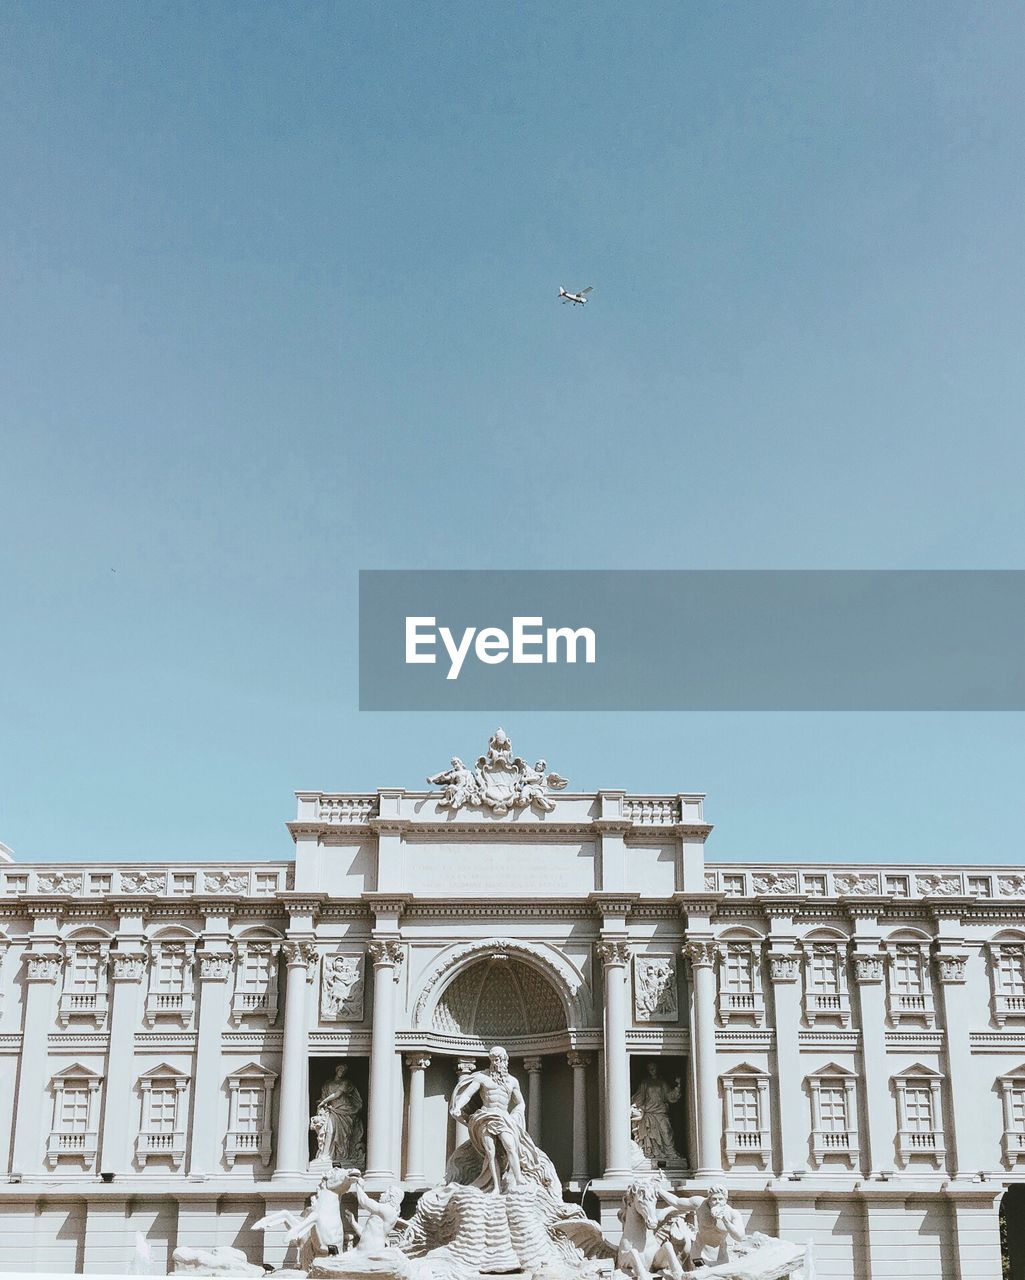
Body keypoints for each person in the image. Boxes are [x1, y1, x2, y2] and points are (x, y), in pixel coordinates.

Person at [449, 1045, 559, 1196]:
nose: (496, 1063)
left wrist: (516, 1115)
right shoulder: (482, 1078)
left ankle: (519, 1179)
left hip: (504, 1118)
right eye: (493, 1060)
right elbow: (467, 1094)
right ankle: (495, 1187)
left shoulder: (512, 1081)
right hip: (486, 1117)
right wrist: (458, 1106)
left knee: (510, 1147)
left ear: (505, 1060)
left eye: (499, 1060)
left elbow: (520, 1102)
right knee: (490, 1152)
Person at [315, 1062, 366, 1167]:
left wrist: (323, 1102)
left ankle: (343, 1156)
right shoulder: (328, 1083)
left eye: (343, 1071)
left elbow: (337, 1094)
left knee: (344, 1136)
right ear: (336, 1070)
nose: (341, 1073)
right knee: (329, 1131)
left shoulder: (345, 1082)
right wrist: (322, 1104)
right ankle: (325, 1155)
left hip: (345, 1110)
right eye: (340, 1070)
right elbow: (324, 1095)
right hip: (332, 1110)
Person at [630, 1062, 681, 1162]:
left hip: (661, 1112)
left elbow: (670, 1096)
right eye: (650, 1068)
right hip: (649, 1112)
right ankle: (651, 1155)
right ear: (648, 1070)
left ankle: (670, 1153)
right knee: (651, 1136)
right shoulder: (645, 1083)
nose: (652, 1069)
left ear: (657, 1068)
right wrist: (633, 1106)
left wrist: (678, 1087)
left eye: (653, 1067)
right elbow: (639, 1097)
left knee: (666, 1132)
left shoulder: (662, 1083)